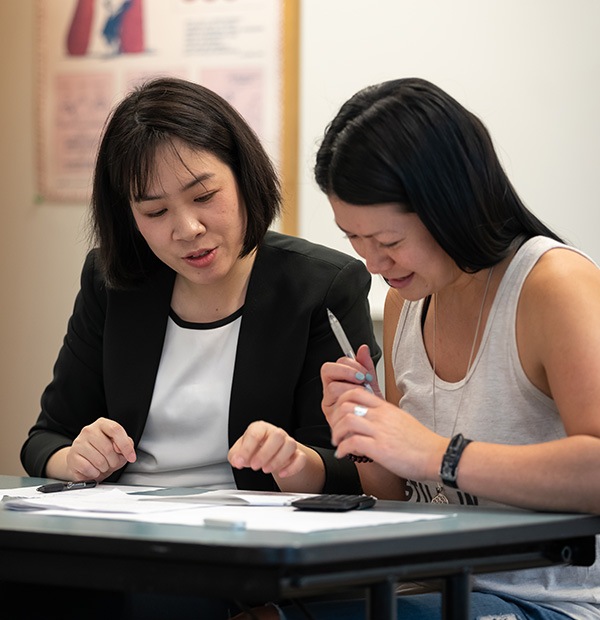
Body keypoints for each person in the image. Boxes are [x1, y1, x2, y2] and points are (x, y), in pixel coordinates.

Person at [238, 78, 600, 620]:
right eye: (353, 240)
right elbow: (397, 498)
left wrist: (437, 453)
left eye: (387, 242)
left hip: (549, 603)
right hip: (428, 588)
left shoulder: (554, 286)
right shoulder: (412, 301)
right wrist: (368, 432)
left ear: (452, 204)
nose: (372, 264)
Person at [19, 76, 381, 618]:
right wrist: (73, 459)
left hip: (237, 557)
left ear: (243, 176)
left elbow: (362, 475)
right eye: (155, 212)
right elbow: (42, 440)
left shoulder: (324, 287)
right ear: (128, 216)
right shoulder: (112, 282)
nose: (187, 228)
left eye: (205, 196)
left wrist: (297, 462)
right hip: (118, 539)